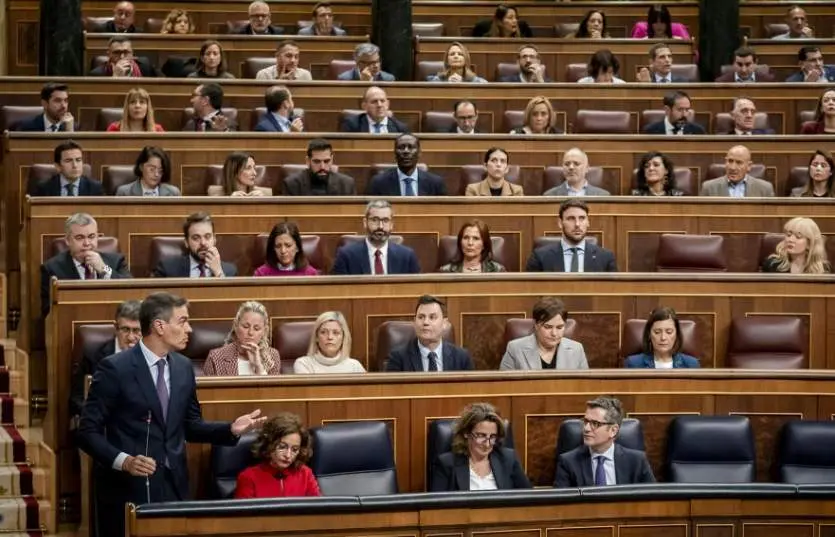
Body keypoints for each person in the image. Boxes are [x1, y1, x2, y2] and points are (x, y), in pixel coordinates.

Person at [78, 292, 267, 537]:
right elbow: (87, 431)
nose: (189, 329)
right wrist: (124, 461)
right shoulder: (115, 368)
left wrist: (230, 429)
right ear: (159, 326)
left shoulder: (182, 367)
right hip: (128, 487)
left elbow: (190, 425)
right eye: (183, 321)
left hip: (174, 485)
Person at [40, 213, 131, 317]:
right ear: (68, 240)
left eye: (91, 237)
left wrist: (103, 269)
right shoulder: (52, 269)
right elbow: (48, 312)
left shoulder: (116, 261)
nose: (87, 243)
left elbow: (130, 293)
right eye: (80, 238)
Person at [554, 396, 655, 487]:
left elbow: (653, 501)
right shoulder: (568, 462)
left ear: (613, 430)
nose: (586, 428)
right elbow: (560, 505)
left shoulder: (637, 461)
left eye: (595, 423)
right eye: (585, 422)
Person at [429, 402, 530, 491]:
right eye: (481, 436)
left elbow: (529, 498)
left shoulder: (509, 459)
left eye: (492, 437)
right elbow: (436, 507)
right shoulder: (447, 463)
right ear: (466, 433)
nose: (487, 444)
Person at [70, 300, 141, 421]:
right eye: (125, 329)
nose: (130, 337)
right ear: (116, 327)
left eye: (136, 330)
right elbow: (77, 398)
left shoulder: (154, 357)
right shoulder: (93, 355)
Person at [235, 412, 320, 498]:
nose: (288, 455)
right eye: (282, 447)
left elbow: (319, 509)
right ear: (269, 444)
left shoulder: (305, 474)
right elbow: (244, 511)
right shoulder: (248, 478)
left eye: (295, 449)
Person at [385, 295, 474, 372]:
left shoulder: (461, 358)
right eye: (421, 317)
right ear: (414, 322)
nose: (426, 322)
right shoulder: (398, 358)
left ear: (444, 323)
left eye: (432, 317)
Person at [331, 200, 421, 275]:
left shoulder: (407, 256)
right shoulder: (346, 255)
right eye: (375, 220)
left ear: (391, 224)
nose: (380, 226)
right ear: (365, 222)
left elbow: (416, 289)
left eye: (385, 220)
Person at [526, 199, 617, 272]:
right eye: (571, 219)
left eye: (582, 218)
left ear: (588, 222)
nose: (577, 224)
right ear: (560, 223)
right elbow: (531, 291)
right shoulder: (540, 256)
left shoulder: (606, 257)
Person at [500, 297, 588, 370]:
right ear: (536, 325)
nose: (554, 333)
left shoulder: (577, 350)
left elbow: (585, 387)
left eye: (559, 327)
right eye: (548, 327)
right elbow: (503, 387)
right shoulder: (515, 349)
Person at [203, 301, 281, 376]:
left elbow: (274, 389)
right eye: (245, 327)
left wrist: (258, 367)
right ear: (236, 326)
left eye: (256, 328)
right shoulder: (216, 358)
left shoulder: (272, 356)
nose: (250, 332)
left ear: (264, 331)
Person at [152, 211, 238, 278]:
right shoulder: (167, 268)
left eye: (207, 237)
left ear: (214, 239)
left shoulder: (230, 271)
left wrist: (219, 273)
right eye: (196, 238)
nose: (203, 243)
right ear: (186, 242)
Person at [366, 134, 447, 196]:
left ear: (419, 153)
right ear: (395, 153)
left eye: (411, 147)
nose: (406, 151)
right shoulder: (379, 182)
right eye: (401, 147)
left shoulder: (435, 183)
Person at [624, 307, 700, 368]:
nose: (663, 337)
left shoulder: (691, 365)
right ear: (649, 334)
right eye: (657, 332)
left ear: (676, 334)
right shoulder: (633, 364)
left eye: (669, 332)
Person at [293, 311, 366, 373]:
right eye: (323, 332)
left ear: (343, 338)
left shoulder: (355, 366)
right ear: (316, 337)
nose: (330, 337)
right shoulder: (304, 364)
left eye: (336, 333)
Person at [29, 140, 104, 197]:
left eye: (78, 160)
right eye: (68, 161)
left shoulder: (95, 188)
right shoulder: (44, 188)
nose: (75, 165)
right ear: (58, 166)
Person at [282, 139, 356, 195]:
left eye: (326, 161)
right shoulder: (292, 184)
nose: (322, 167)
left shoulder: (347, 185)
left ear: (332, 160)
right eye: (317, 162)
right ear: (308, 161)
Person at [700, 145, 775, 197]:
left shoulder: (765, 189)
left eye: (739, 162)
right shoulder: (708, 188)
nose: (733, 167)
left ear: (749, 166)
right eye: (730, 161)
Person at [761, 217, 830, 274]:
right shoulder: (772, 264)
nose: (790, 240)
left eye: (798, 237)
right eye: (788, 235)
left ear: (809, 244)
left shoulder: (823, 269)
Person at [440, 219, 507, 273]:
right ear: (460, 242)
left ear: (484, 244)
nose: (470, 243)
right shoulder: (446, 271)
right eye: (466, 238)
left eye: (476, 238)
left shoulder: (497, 270)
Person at [253, 222, 319, 276]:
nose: (283, 251)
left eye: (288, 245)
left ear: (297, 247)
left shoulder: (310, 274)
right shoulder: (261, 274)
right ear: (273, 248)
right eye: (278, 246)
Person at [115, 146, 180, 196]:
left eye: (160, 170)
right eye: (152, 169)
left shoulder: (173, 193)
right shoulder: (124, 193)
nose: (157, 174)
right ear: (141, 167)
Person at [543, 148, 610, 196]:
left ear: (587, 168)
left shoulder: (603, 195)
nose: (571, 167)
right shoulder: (549, 195)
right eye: (567, 164)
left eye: (576, 164)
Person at [340, 86, 409, 133]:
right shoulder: (352, 125)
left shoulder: (400, 128)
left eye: (382, 101)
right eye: (374, 101)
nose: (379, 105)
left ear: (388, 104)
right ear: (364, 106)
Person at [89, 36, 156, 77]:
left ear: (132, 53)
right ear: (109, 54)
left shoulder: (145, 68)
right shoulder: (97, 74)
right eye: (117, 53)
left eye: (126, 52)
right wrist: (115, 77)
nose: (122, 57)